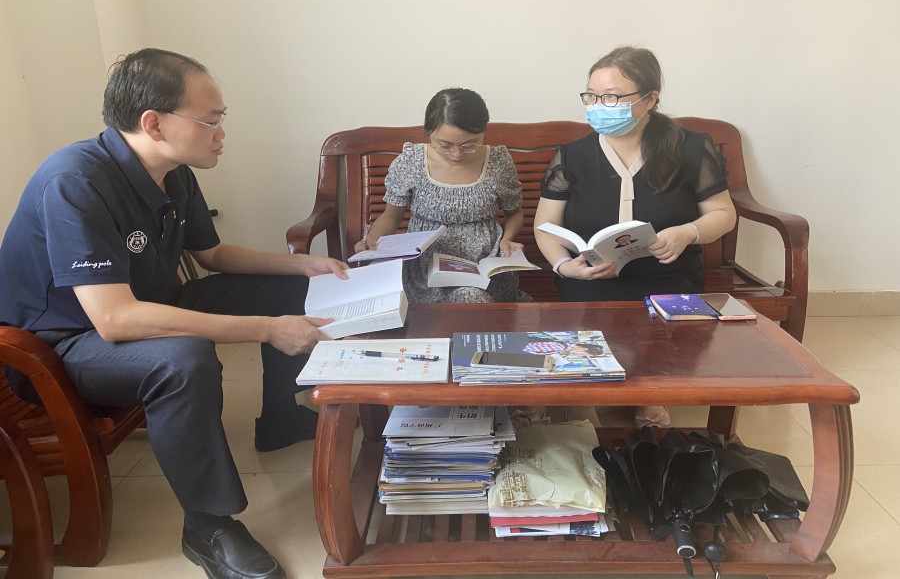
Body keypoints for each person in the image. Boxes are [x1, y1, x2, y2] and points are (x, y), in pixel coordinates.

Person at [0, 48, 350, 579]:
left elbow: (213, 255)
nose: (221, 134)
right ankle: (207, 527)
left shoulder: (174, 173)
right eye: (211, 121)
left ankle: (280, 419)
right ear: (154, 123)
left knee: (287, 290)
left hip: (145, 309)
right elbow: (115, 320)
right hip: (61, 348)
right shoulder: (76, 181)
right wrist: (266, 330)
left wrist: (304, 265)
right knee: (183, 360)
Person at [534, 46, 737, 428]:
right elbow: (545, 223)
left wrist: (687, 232)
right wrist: (564, 266)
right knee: (585, 315)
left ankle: (649, 393)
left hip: (669, 273)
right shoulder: (574, 155)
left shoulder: (690, 147)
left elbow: (723, 214)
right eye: (592, 96)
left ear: (650, 98)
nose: (599, 106)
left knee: (668, 323)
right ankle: (584, 397)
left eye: (612, 97)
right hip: (591, 277)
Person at [353, 88, 530, 303]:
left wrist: (508, 239)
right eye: (445, 145)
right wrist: (371, 243)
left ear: (484, 130)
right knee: (468, 302)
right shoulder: (411, 161)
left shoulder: (498, 161)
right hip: (425, 269)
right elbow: (391, 216)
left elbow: (514, 213)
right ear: (428, 132)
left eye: (469, 144)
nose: (456, 154)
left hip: (485, 266)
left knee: (472, 297)